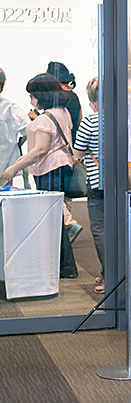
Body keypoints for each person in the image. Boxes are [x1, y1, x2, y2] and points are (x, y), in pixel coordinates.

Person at [1, 74, 78, 278]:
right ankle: (64, 266)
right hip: (60, 167)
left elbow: (41, 149)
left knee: (53, 219)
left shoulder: (45, 118)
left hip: (50, 168)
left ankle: (65, 266)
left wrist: (14, 167)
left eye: (32, 95)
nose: (30, 100)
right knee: (56, 217)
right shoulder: (62, 112)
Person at [74, 78, 107, 293]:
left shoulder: (90, 122)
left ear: (92, 100)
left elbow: (77, 154)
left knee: (100, 230)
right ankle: (111, 271)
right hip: (121, 182)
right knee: (120, 228)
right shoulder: (120, 119)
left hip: (97, 183)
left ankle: (109, 274)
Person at [45, 61, 83, 241]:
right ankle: (66, 229)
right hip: (73, 147)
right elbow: (79, 121)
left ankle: (68, 224)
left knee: (56, 190)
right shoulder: (73, 96)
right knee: (66, 192)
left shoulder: (55, 98)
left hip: (57, 149)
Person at [0, 68, 30, 189]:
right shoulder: (10, 108)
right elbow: (28, 130)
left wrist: (17, 145)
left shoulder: (10, 107)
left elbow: (29, 130)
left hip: (5, 166)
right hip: (5, 162)